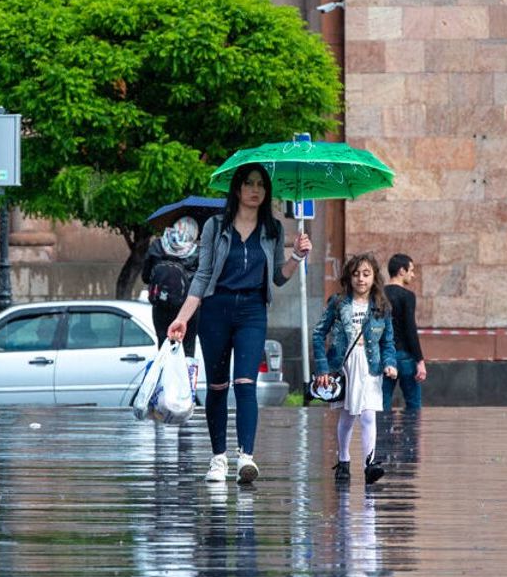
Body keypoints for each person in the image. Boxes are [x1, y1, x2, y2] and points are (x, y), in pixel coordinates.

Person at [167, 165, 312, 484]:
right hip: (216, 309)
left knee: (245, 383)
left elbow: (278, 276)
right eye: (248, 183)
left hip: (252, 310)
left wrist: (297, 257)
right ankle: (218, 458)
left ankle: (246, 457)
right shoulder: (215, 227)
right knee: (217, 386)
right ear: (237, 189)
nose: (255, 189)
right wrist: (182, 318)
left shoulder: (273, 229)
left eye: (260, 184)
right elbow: (203, 275)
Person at [313, 252, 398, 485]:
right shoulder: (338, 303)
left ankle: (370, 464)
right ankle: (343, 460)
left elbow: (388, 342)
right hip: (345, 366)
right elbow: (318, 333)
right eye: (356, 274)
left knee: (369, 415)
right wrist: (322, 368)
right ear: (349, 277)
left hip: (371, 366)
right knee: (349, 416)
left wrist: (390, 363)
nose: (361, 279)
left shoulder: (382, 307)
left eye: (366, 274)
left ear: (374, 277)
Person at [141, 215, 201, 357]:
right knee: (187, 349)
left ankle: (165, 377)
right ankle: (185, 377)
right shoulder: (197, 251)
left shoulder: (157, 245)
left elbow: (145, 277)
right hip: (188, 309)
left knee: (164, 349)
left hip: (160, 306)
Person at [382, 253, 427, 410]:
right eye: (411, 270)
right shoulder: (407, 296)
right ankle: (411, 433)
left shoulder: (379, 294)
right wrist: (420, 360)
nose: (413, 275)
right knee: (413, 404)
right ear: (402, 270)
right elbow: (410, 328)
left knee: (382, 403)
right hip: (405, 357)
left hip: (385, 357)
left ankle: (383, 434)